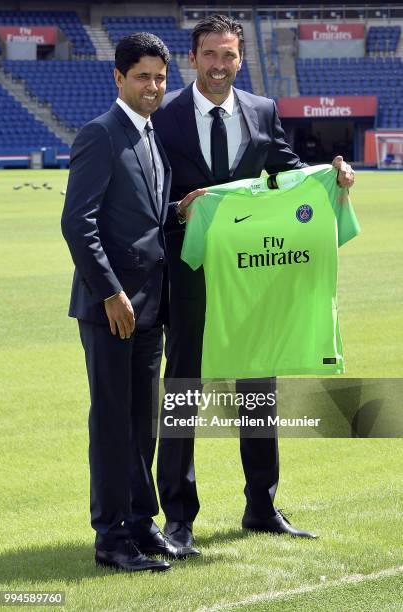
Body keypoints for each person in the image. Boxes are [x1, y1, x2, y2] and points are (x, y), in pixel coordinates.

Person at [152, 14, 355, 554]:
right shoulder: (164, 115)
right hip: (191, 278)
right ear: (193, 57)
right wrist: (179, 211)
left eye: (230, 56)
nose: (220, 66)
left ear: (241, 59)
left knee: (258, 393)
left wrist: (330, 175)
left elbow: (287, 176)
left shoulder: (262, 112)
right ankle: (177, 518)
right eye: (211, 55)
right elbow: (149, 195)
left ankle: (261, 506)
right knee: (183, 394)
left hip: (252, 280)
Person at [61, 33, 203, 573]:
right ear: (118, 78)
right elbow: (79, 223)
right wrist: (112, 293)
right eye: (142, 76)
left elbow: (140, 216)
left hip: (150, 308)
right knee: (114, 425)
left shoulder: (151, 135)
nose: (153, 86)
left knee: (144, 422)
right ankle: (111, 538)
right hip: (111, 308)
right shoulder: (100, 134)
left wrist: (177, 210)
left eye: (160, 77)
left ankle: (142, 526)